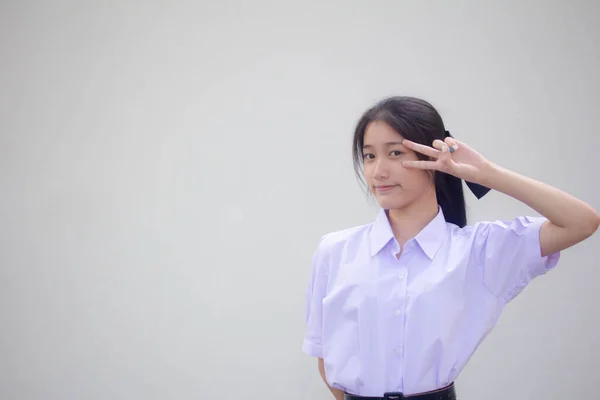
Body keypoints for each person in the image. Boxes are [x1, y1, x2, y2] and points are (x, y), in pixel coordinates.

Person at [301, 96, 600, 400]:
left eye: (395, 153)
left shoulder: (479, 251)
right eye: (369, 156)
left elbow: (582, 222)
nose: (379, 171)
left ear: (434, 156)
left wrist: (485, 173)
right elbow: (325, 360)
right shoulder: (335, 251)